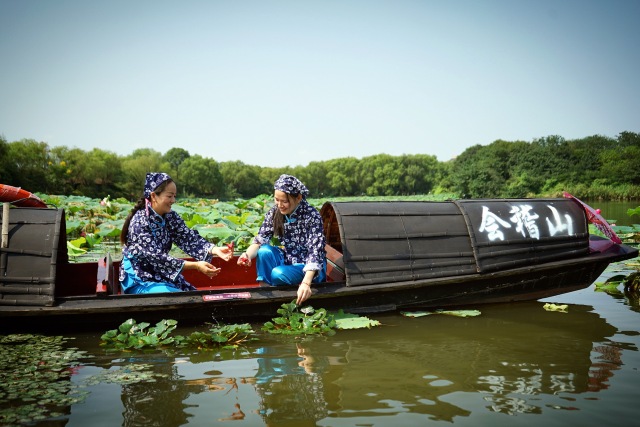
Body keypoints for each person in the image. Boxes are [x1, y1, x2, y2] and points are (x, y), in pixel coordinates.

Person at [119, 172, 232, 294]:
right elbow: (156, 257)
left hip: (160, 273)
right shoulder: (139, 223)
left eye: (174, 196)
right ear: (153, 196)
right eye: (169, 196)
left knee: (192, 296)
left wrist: (214, 249)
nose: (173, 200)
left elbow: (187, 237)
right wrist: (196, 265)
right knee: (178, 298)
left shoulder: (170, 216)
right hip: (140, 276)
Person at [237, 174, 326, 305]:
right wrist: (247, 255)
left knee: (278, 274)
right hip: (289, 258)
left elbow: (315, 252)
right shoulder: (275, 212)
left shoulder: (311, 215)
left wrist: (306, 283)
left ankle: (277, 293)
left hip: (310, 267)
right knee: (264, 251)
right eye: (276, 200)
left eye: (284, 201)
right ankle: (266, 292)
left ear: (298, 198)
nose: (280, 205)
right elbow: (260, 240)